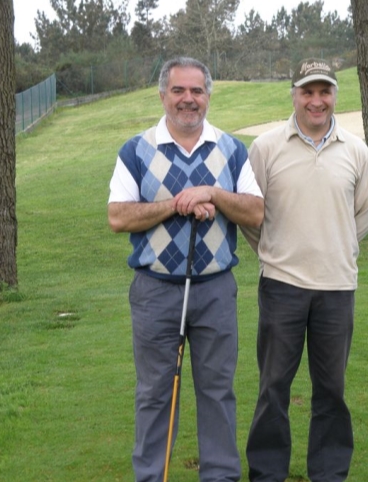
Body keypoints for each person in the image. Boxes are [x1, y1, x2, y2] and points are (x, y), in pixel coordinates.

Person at [107, 56, 264, 482]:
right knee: (155, 394)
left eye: (196, 91)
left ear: (208, 96)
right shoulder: (136, 150)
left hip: (215, 289)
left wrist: (212, 191)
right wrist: (176, 204)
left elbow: (254, 210)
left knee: (217, 391)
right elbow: (118, 216)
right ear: (163, 95)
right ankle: (151, 476)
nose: (188, 99)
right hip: (155, 290)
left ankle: (220, 476)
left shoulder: (231, 149)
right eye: (178, 91)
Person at [240, 58, 368, 482]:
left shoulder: (355, 149)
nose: (316, 101)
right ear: (294, 95)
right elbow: (250, 214)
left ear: (335, 95)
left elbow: (367, 213)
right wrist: (274, 250)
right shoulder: (266, 147)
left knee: (331, 392)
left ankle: (329, 473)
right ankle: (266, 473)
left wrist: (335, 245)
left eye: (324, 91)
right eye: (307, 91)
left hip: (337, 287)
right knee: (273, 389)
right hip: (282, 286)